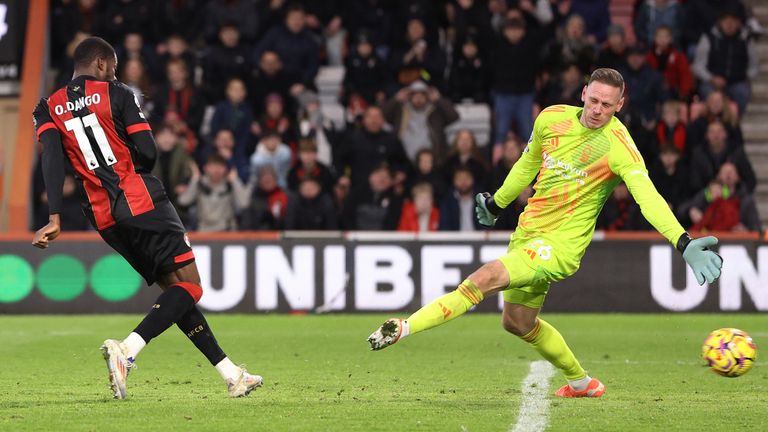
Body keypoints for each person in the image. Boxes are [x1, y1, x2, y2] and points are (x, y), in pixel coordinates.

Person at [367, 68, 723, 398]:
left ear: (621, 105)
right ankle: (581, 382)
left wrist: (682, 240)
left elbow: (648, 198)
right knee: (518, 323)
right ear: (584, 93)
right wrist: (498, 204)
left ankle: (404, 327)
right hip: (528, 233)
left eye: (608, 105)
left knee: (486, 276)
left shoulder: (619, 147)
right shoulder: (551, 118)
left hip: (560, 247)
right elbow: (528, 163)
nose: (598, 110)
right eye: (594, 100)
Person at [31, 37, 262, 400]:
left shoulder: (47, 106)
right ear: (104, 65)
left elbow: (52, 159)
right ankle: (128, 350)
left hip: (104, 218)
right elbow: (149, 153)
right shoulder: (119, 93)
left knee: (176, 292)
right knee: (192, 286)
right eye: (114, 67)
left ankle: (232, 374)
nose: (115, 72)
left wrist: (54, 215)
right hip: (141, 200)